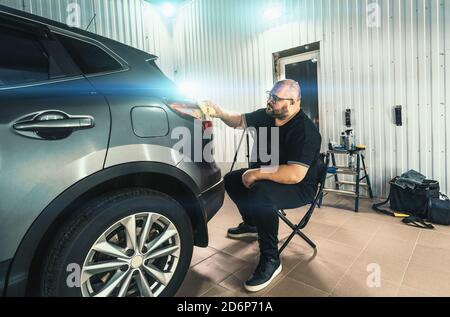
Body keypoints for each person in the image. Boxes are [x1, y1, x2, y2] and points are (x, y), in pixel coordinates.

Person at [206, 79, 322, 292]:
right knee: (232, 179)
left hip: (299, 186)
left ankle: (271, 258)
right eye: (270, 95)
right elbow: (238, 121)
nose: (270, 101)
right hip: (270, 177)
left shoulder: (305, 131)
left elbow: (295, 174)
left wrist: (256, 173)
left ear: (294, 102)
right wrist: (220, 112)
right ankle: (251, 223)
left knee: (260, 192)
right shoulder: (267, 114)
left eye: (276, 99)